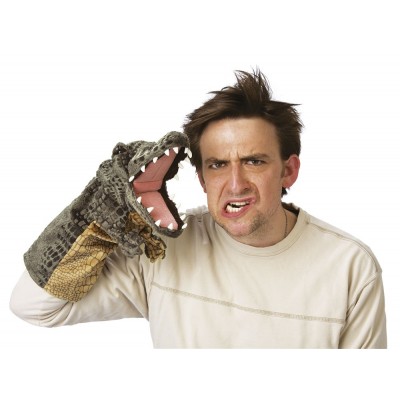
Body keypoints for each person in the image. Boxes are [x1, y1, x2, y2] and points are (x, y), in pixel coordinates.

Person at [10, 69, 387, 348]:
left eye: (254, 161)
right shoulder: (162, 250)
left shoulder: (350, 266)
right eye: (218, 165)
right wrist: (96, 218)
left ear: (288, 171)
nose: (235, 184)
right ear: (202, 178)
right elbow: (33, 306)